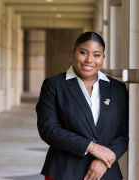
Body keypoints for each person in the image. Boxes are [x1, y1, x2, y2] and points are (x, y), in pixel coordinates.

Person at [36, 32, 129, 180]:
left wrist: (103, 161)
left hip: (105, 173)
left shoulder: (117, 89)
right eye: (83, 52)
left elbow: (123, 134)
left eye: (96, 54)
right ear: (73, 54)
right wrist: (92, 147)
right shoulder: (54, 85)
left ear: (103, 58)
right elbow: (49, 129)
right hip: (64, 171)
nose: (89, 60)